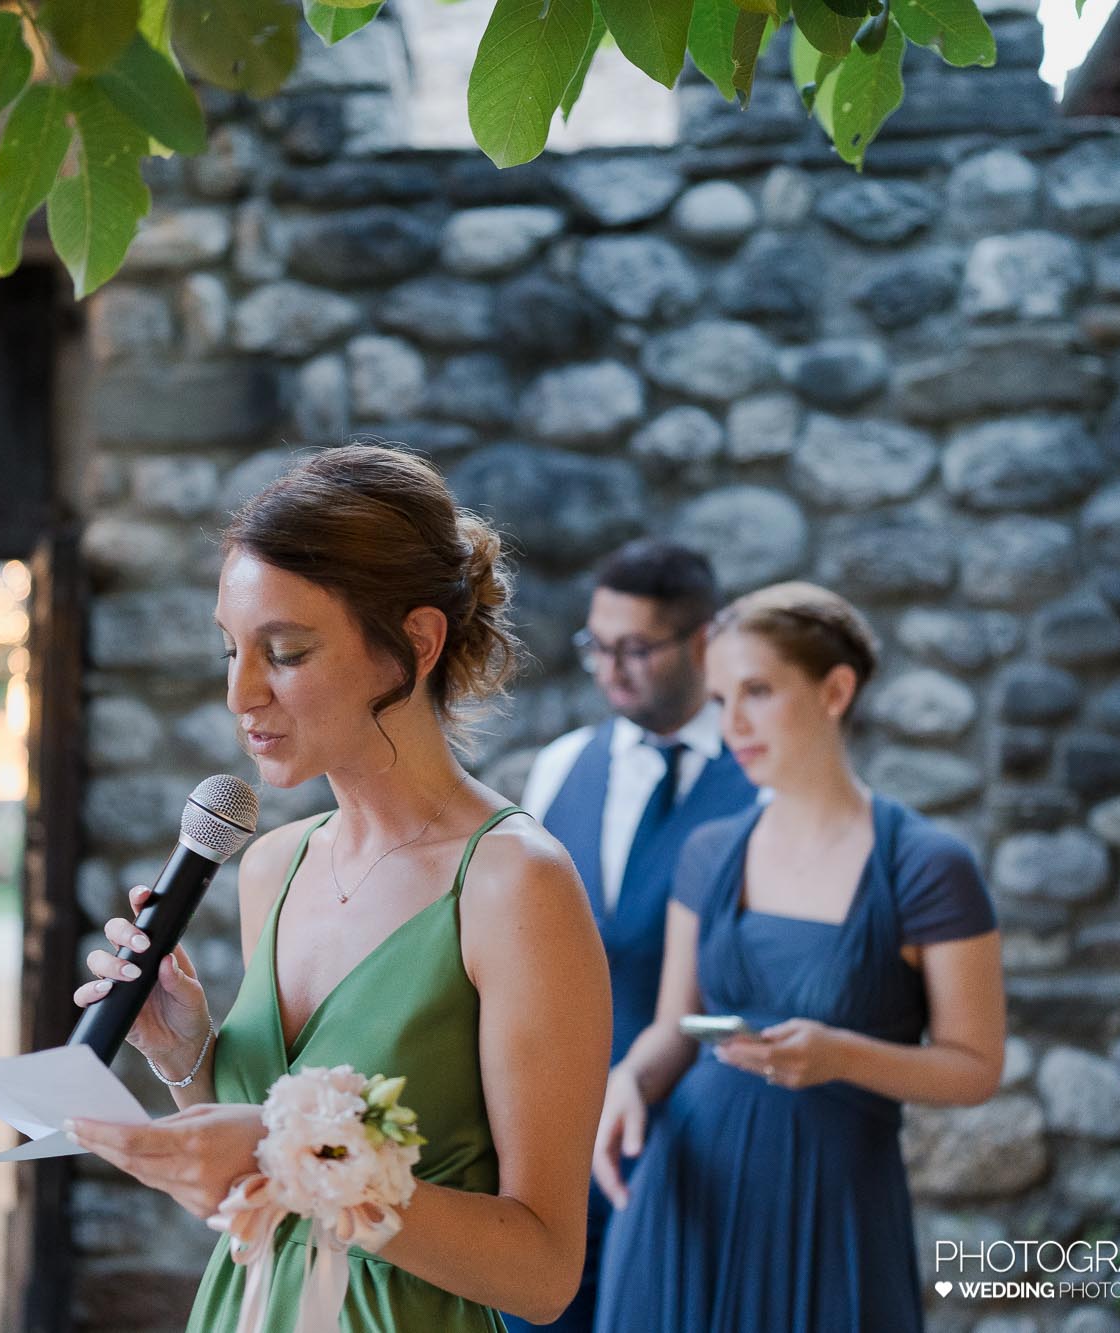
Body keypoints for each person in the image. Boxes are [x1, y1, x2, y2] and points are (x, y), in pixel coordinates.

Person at [63, 445, 611, 1331]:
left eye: (285, 652)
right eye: (231, 649)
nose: (241, 693)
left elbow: (544, 1272)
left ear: (417, 643)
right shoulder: (271, 865)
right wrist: (186, 1057)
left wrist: (296, 1160)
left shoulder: (515, 883)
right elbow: (258, 1196)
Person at [592, 583, 1006, 1332]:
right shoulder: (709, 851)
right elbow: (675, 1027)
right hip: (686, 1197)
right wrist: (631, 1078)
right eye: (722, 698)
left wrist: (840, 1055)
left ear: (835, 691)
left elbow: (974, 1067)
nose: (734, 724)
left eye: (757, 691)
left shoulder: (925, 865)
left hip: (831, 1207)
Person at [507, 538, 759, 1333]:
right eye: (598, 645)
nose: (611, 669)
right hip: (554, 1143)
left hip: (705, 1147)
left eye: (636, 649)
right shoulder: (560, 767)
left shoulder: (763, 780)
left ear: (703, 642)